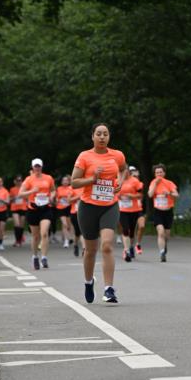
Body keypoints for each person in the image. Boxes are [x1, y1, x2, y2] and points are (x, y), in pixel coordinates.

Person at [71, 122, 126, 304]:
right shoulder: (85, 157)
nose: (102, 137)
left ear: (109, 137)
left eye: (105, 134)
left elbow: (123, 169)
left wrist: (120, 182)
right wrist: (92, 179)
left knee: (107, 245)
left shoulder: (117, 155)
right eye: (99, 134)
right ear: (93, 136)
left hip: (109, 205)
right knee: (90, 250)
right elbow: (74, 182)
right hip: (88, 206)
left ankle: (109, 289)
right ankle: (88, 282)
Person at [18, 159, 56, 270]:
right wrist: (31, 191)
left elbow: (53, 190)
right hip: (33, 209)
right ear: (32, 167)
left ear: (42, 167)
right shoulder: (28, 180)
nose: (37, 168)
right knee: (35, 236)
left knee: (44, 233)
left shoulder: (48, 178)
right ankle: (35, 257)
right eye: (35, 166)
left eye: (39, 166)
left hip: (45, 209)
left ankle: (44, 257)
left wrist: (52, 196)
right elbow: (20, 194)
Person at [148, 164, 179, 262]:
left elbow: (176, 195)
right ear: (154, 174)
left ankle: (164, 246)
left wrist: (169, 193)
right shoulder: (153, 183)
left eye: (160, 172)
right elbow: (150, 194)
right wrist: (155, 184)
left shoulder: (169, 183)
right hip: (158, 212)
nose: (159, 174)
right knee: (160, 232)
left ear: (164, 173)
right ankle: (162, 252)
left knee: (166, 235)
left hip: (168, 211)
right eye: (157, 173)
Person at [118, 165, 144, 262]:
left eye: (124, 171)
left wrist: (131, 196)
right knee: (125, 229)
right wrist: (118, 196)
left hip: (134, 210)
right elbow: (113, 193)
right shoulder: (118, 181)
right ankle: (126, 250)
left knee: (132, 232)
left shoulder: (135, 181)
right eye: (120, 171)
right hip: (122, 210)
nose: (122, 173)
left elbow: (140, 194)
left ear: (128, 171)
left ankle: (131, 246)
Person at [55, 175, 74, 247]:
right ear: (62, 182)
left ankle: (70, 237)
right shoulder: (59, 189)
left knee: (69, 224)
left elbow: (73, 196)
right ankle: (66, 240)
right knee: (64, 224)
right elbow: (56, 198)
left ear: (69, 181)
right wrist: (57, 200)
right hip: (61, 208)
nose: (65, 182)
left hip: (69, 207)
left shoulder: (71, 188)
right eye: (63, 180)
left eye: (66, 180)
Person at [9, 174, 27, 246]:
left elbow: (28, 197)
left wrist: (23, 196)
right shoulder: (12, 189)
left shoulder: (24, 188)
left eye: (20, 180)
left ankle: (19, 240)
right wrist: (14, 198)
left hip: (23, 207)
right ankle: (17, 240)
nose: (19, 182)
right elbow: (10, 199)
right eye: (17, 180)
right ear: (15, 181)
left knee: (21, 225)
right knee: (17, 224)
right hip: (15, 208)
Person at [68, 183, 84, 258]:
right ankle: (75, 245)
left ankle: (84, 249)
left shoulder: (87, 186)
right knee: (78, 232)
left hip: (85, 213)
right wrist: (78, 197)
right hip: (75, 213)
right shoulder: (72, 187)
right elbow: (69, 200)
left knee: (83, 232)